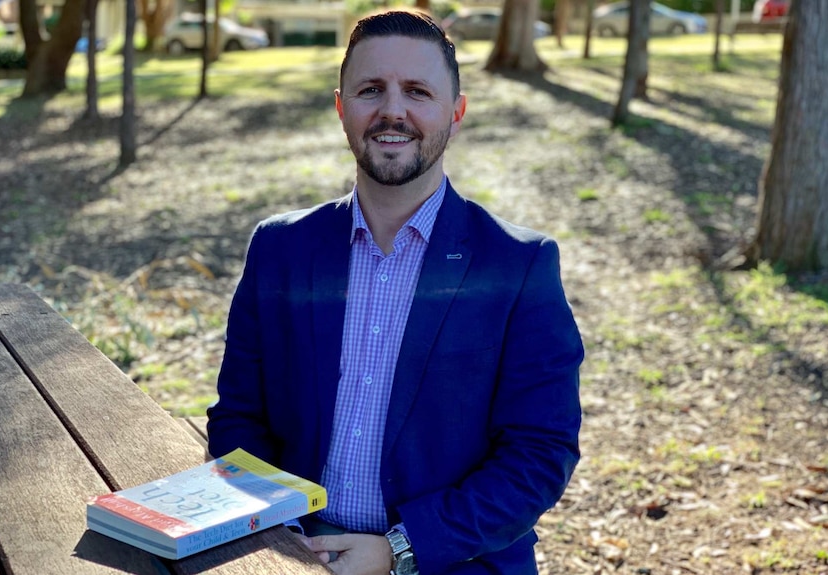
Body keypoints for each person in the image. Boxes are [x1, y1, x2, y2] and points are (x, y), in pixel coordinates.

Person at [207, 10, 584, 575]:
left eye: (417, 91)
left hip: (452, 560)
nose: (392, 110)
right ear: (341, 107)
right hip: (294, 552)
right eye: (370, 90)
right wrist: (282, 535)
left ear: (455, 114)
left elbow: (539, 452)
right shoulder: (280, 250)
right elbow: (239, 415)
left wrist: (400, 552)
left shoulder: (518, 265)